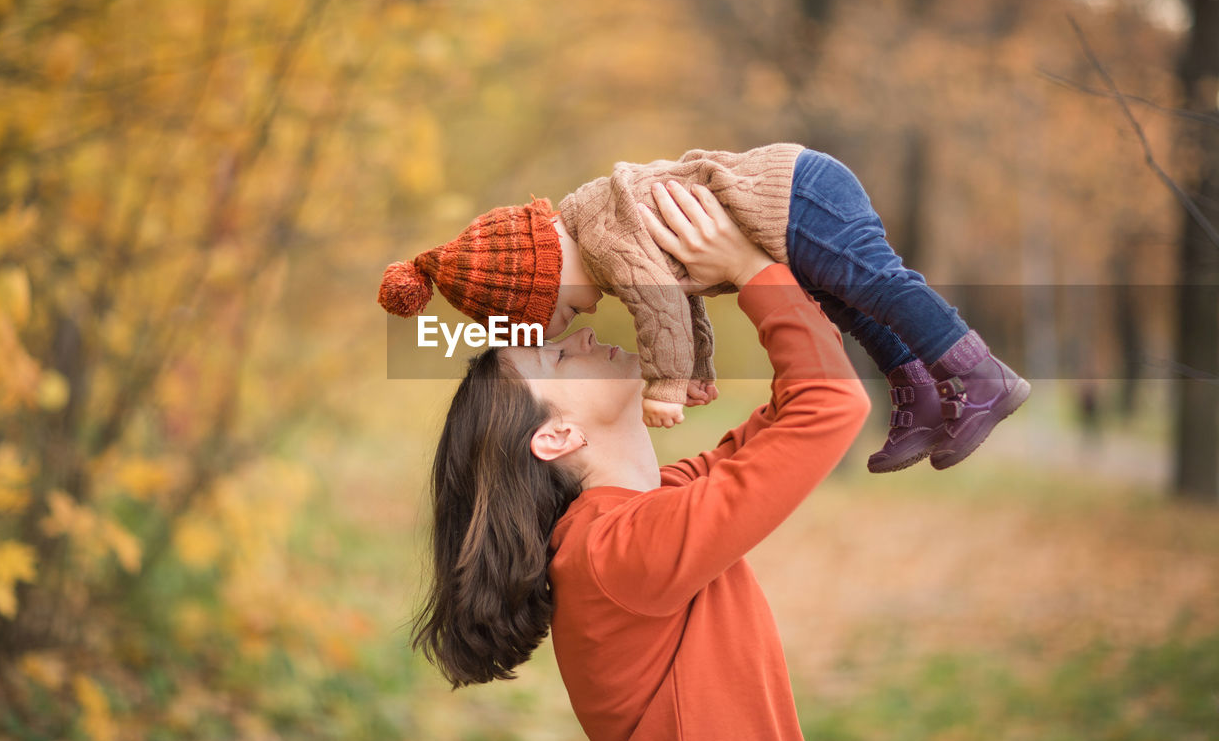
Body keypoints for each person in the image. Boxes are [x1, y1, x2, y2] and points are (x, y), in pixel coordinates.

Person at [411, 182, 872, 741]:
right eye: (556, 357)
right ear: (556, 436)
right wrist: (750, 271)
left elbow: (799, 405)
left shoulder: (641, 515)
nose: (580, 334)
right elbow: (830, 405)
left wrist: (734, 269)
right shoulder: (616, 550)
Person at [378, 143, 1028, 472]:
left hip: (799, 195)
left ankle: (976, 373)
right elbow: (682, 300)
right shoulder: (607, 235)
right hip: (794, 205)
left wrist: (665, 386)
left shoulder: (602, 237)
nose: (568, 324)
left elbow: (657, 305)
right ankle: (917, 391)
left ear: (540, 279)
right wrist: (696, 369)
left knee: (880, 286)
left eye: (550, 317)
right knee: (853, 305)